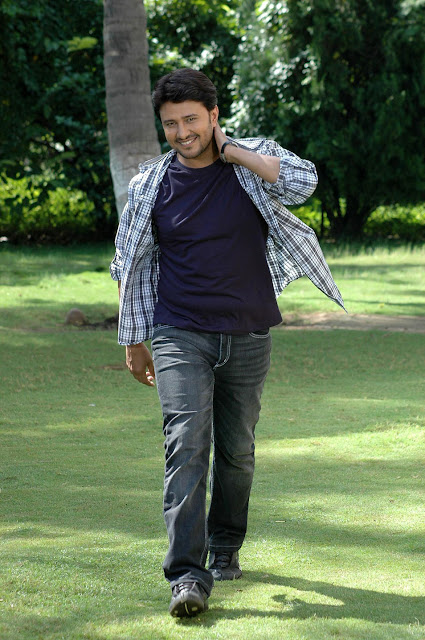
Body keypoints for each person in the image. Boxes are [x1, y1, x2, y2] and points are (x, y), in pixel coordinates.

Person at [110, 68, 344, 618]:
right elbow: (127, 260)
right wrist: (133, 341)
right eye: (171, 124)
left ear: (213, 116)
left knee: (237, 452)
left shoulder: (251, 161)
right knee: (186, 444)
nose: (181, 132)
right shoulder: (150, 185)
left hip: (248, 332)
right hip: (178, 332)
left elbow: (304, 182)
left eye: (191, 120)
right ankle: (186, 577)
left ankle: (225, 547)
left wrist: (235, 151)